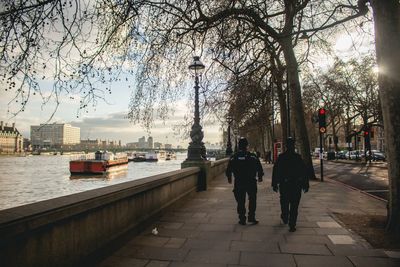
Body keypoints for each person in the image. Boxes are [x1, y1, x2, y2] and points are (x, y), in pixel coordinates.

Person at [271, 137, 309, 232]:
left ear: (286, 146)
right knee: (294, 205)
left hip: (285, 184)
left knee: (284, 202)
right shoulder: (298, 157)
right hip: (296, 184)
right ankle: (292, 224)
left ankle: (285, 216)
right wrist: (305, 184)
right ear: (293, 145)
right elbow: (304, 171)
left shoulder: (282, 157)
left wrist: (274, 183)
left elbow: (276, 171)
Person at [226, 137, 264, 225]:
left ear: (239, 145)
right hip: (251, 181)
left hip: (239, 181)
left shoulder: (234, 157)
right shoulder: (252, 156)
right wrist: (260, 176)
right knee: (252, 199)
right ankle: (251, 217)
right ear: (247, 145)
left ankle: (242, 218)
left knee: (240, 200)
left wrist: (229, 177)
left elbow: (229, 169)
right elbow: (259, 167)